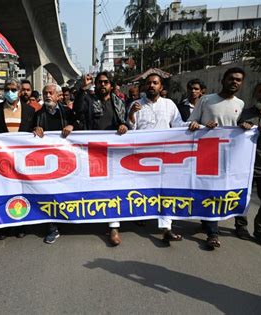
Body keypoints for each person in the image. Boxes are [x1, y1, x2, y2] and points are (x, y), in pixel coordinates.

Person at [188, 67, 246, 250]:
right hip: (207, 155)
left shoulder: (241, 104)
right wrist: (201, 125)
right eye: (231, 79)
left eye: (238, 80)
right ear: (223, 80)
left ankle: (220, 224)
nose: (234, 82)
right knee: (209, 191)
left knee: (226, 190)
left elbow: (240, 129)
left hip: (231, 156)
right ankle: (213, 232)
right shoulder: (206, 100)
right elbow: (190, 122)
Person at [127, 73, 188, 244]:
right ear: (145, 86)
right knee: (143, 188)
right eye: (149, 83)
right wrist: (132, 113)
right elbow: (131, 128)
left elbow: (178, 124)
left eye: (155, 83)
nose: (152, 85)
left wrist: (193, 125)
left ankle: (166, 228)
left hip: (164, 156)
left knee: (164, 191)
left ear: (161, 87)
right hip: (141, 156)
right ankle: (141, 214)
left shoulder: (169, 105)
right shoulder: (136, 104)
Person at [74, 71, 128, 246]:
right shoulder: (89, 100)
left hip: (113, 154)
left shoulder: (118, 102)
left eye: (106, 82)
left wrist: (123, 125)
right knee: (92, 186)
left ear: (111, 85)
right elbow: (77, 110)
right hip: (91, 153)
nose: (102, 85)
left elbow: (125, 122)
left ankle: (114, 226)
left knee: (113, 188)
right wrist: (83, 88)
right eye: (99, 82)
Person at [0, 78, 35, 239]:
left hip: (21, 162)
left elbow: (33, 130)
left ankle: (20, 223)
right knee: (3, 191)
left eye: (13, 89)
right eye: (7, 89)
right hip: (3, 161)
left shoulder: (29, 111)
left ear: (20, 91)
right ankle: (4, 225)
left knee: (21, 192)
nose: (10, 92)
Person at [32, 83, 75, 244]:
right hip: (47, 162)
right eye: (45, 93)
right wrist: (35, 129)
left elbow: (81, 127)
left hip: (67, 160)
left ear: (58, 96)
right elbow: (30, 133)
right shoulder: (38, 114)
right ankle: (52, 227)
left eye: (51, 93)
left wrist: (73, 126)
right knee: (49, 193)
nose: (47, 95)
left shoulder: (68, 113)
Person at [238, 81, 261, 249]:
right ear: (255, 94)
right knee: (241, 199)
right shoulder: (245, 114)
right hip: (245, 167)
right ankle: (241, 227)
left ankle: (260, 230)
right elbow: (231, 136)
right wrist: (240, 128)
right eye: (260, 91)